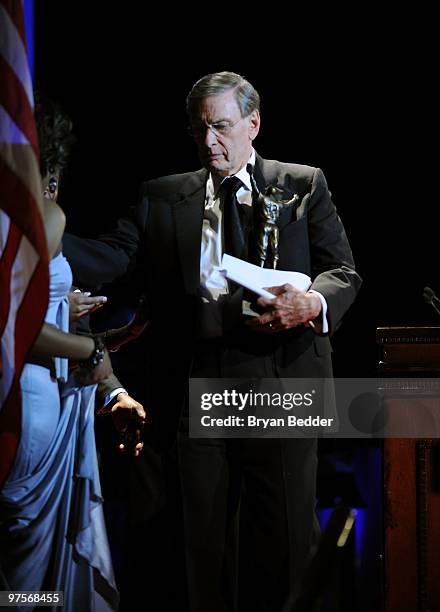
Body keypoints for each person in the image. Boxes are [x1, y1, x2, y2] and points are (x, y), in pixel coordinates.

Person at [63, 71, 362, 611]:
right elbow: (110, 257)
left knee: (285, 541)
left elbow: (341, 271)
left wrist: (311, 302)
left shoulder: (301, 182)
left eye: (221, 128)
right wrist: (35, 230)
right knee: (197, 544)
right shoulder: (163, 196)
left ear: (253, 123)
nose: (209, 143)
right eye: (199, 130)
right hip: (198, 379)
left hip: (282, 379)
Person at [0, 94, 142, 610]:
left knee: (17, 557)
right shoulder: (44, 217)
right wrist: (92, 349)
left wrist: (68, 312)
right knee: (29, 566)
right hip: (32, 396)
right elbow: (19, 326)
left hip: (34, 394)